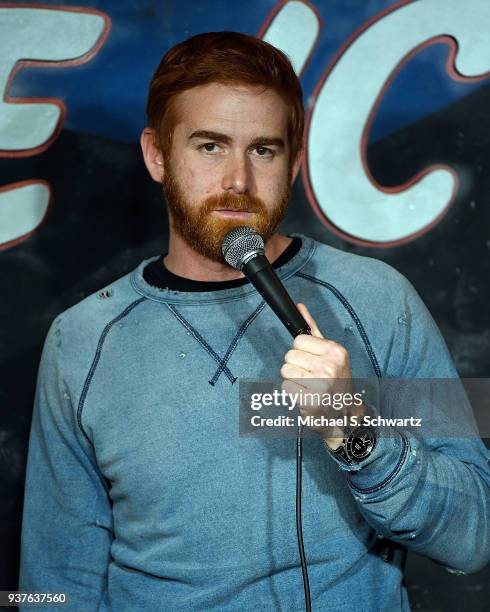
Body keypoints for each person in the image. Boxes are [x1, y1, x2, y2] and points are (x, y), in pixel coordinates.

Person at [19, 31, 489, 611]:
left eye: (263, 150)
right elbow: (55, 584)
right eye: (210, 146)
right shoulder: (81, 340)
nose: (238, 181)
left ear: (293, 164)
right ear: (157, 154)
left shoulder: (378, 302)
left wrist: (358, 435)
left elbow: (474, 536)